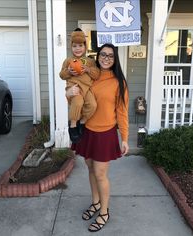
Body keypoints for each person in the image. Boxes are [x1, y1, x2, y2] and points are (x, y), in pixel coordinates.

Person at [66, 43, 129, 232]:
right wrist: (67, 94)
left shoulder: (119, 82)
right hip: (86, 130)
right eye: (103, 54)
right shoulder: (88, 74)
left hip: (105, 132)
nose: (106, 58)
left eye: (110, 55)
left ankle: (104, 211)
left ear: (115, 59)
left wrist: (124, 137)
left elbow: (122, 111)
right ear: (98, 55)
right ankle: (95, 202)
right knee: (91, 169)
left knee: (100, 173)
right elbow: (76, 98)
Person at [59, 28, 100, 143]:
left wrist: (87, 69)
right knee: (77, 102)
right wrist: (68, 72)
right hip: (74, 87)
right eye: (74, 46)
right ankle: (72, 126)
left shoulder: (90, 61)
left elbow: (96, 74)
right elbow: (61, 75)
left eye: (80, 46)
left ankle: (82, 122)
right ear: (71, 47)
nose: (77, 49)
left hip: (87, 88)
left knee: (92, 104)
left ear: (85, 47)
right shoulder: (68, 61)